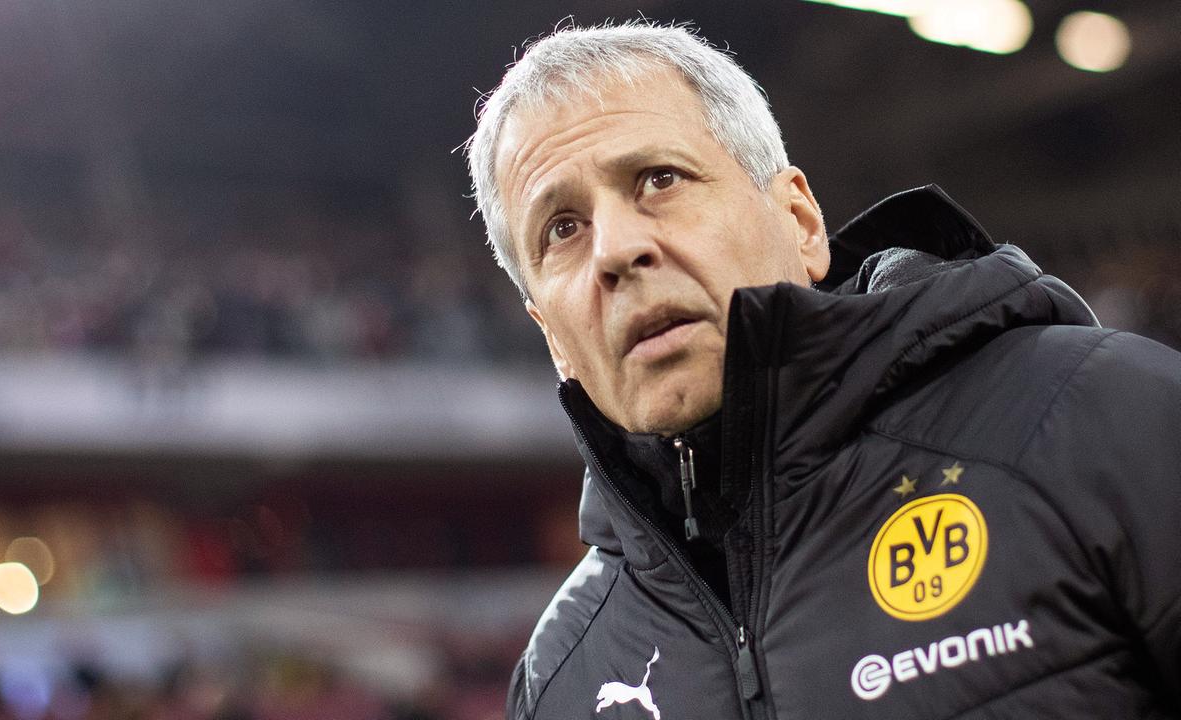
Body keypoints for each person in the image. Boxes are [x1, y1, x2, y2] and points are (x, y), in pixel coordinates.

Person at [465, 21, 1181, 720]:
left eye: (659, 179)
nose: (617, 251)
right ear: (551, 335)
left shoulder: (1105, 422)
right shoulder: (559, 678)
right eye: (563, 228)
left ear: (801, 223)